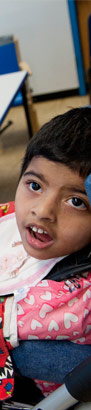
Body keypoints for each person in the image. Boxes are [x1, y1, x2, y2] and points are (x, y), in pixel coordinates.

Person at [0, 107, 91, 402]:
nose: (42, 211)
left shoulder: (76, 303)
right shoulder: (24, 221)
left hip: (34, 393)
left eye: (76, 201)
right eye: (35, 185)